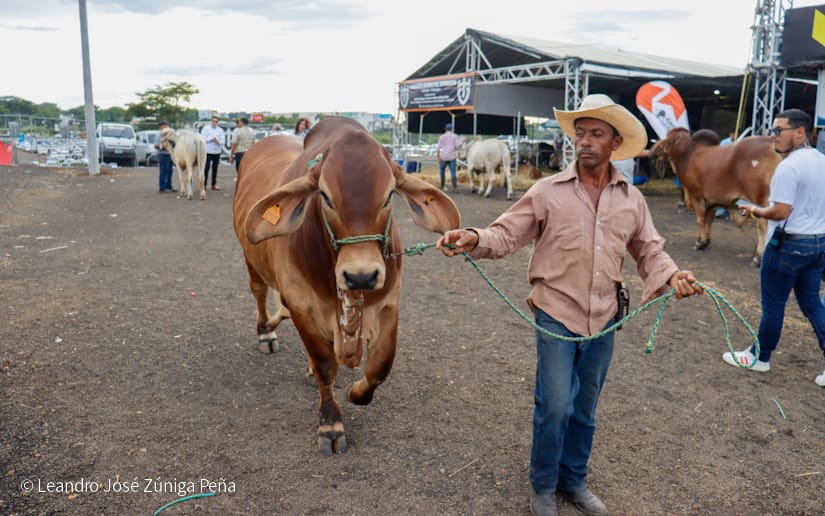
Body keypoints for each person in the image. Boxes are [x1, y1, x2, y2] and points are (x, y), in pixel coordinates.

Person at [436, 94, 704, 516]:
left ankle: (573, 481)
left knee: (584, 408)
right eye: (580, 134)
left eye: (596, 134)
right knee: (556, 405)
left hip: (604, 318)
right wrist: (473, 236)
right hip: (555, 313)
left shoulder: (631, 200)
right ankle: (543, 486)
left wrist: (672, 275)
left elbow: (650, 250)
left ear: (615, 142)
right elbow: (505, 233)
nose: (585, 142)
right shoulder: (547, 192)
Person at [723, 108, 825, 388]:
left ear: (800, 132)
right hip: (817, 244)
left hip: (788, 245)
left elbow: (780, 211)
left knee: (774, 305)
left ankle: (760, 357)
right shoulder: (820, 160)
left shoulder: (789, 168)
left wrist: (754, 210)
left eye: (779, 130)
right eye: (773, 130)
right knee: (812, 303)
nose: (773, 137)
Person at [437, 123, 462, 192]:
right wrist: (462, 142)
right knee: (453, 172)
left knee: (442, 171)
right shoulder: (455, 136)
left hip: (444, 157)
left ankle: (442, 185)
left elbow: (438, 148)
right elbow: (458, 146)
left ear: (445, 129)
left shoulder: (441, 137)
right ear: (452, 129)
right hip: (452, 157)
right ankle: (454, 188)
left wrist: (438, 157)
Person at [201, 116, 224, 190]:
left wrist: (218, 141)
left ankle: (213, 184)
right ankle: (204, 185)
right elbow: (203, 139)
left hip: (217, 151)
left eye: (216, 121)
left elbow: (222, 141)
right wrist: (211, 139)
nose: (214, 122)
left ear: (218, 122)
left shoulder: (220, 130)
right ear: (211, 121)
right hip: (208, 151)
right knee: (206, 168)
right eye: (213, 121)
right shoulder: (206, 128)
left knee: (215, 168)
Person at [154, 121, 175, 193]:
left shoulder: (170, 134)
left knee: (170, 171)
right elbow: (156, 145)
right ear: (161, 127)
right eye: (165, 125)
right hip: (163, 155)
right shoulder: (159, 134)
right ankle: (162, 187)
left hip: (170, 154)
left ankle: (169, 186)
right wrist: (163, 145)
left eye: (167, 125)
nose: (166, 127)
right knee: (163, 171)